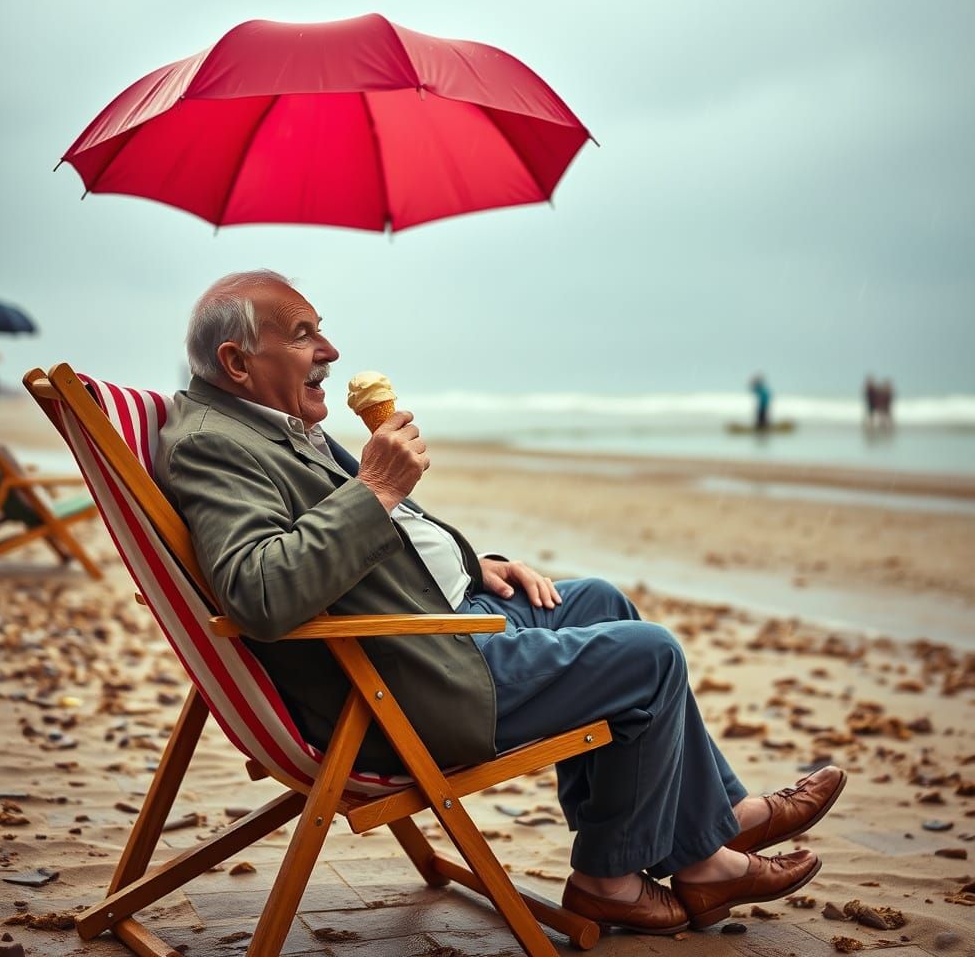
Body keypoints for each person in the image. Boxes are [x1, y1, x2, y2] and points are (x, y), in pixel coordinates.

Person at [156, 271, 846, 934]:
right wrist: (376, 490)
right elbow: (261, 592)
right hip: (406, 684)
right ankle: (620, 878)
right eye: (306, 335)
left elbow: (376, 542)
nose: (331, 351)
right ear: (236, 361)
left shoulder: (262, 422)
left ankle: (717, 832)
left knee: (602, 599)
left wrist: (471, 566)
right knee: (653, 657)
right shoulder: (215, 445)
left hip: (437, 624)